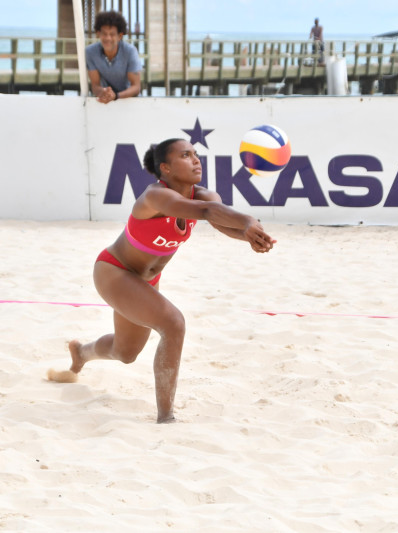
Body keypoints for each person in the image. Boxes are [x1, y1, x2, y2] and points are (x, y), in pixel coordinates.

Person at [51, 139, 276, 423]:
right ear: (166, 168)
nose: (196, 160)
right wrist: (248, 221)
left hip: (146, 280)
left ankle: (82, 353)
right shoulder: (155, 197)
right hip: (115, 271)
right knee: (174, 323)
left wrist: (248, 235)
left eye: (196, 154)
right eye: (186, 155)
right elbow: (208, 213)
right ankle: (166, 417)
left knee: (126, 352)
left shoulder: (204, 195)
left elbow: (219, 220)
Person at [85, 10, 142, 104]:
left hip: (129, 102)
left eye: (112, 34)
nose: (108, 38)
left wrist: (116, 96)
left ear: (120, 36)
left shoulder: (130, 51)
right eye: (104, 34)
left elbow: (136, 87)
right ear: (98, 33)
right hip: (104, 101)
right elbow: (95, 85)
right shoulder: (90, 52)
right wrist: (103, 92)